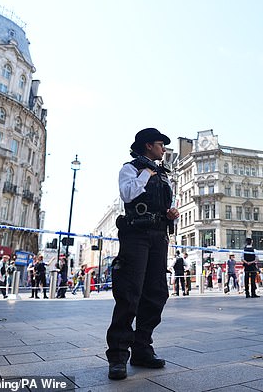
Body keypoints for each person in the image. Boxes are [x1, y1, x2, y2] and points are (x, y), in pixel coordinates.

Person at [106, 128, 179, 381]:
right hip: (136, 235)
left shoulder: (163, 174)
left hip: (159, 236)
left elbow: (161, 202)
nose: (164, 150)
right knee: (129, 294)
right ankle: (117, 355)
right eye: (161, 145)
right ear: (148, 146)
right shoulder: (131, 168)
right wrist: (146, 173)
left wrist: (170, 213)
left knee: (156, 292)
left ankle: (142, 348)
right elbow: (128, 194)